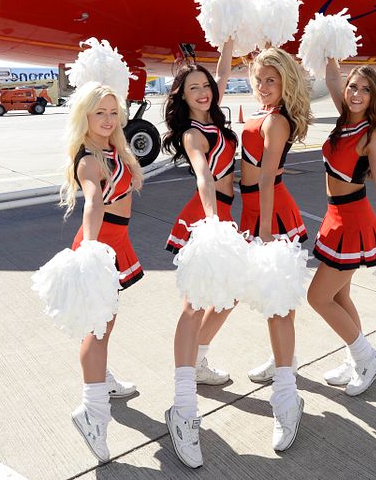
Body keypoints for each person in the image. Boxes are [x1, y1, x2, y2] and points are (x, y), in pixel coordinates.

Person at [307, 59, 376, 396]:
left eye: (365, 89)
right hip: (335, 217)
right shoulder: (344, 117)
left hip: (354, 222)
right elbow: (330, 75)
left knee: (317, 297)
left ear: (375, 97)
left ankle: (367, 357)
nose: (356, 93)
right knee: (340, 295)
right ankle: (354, 359)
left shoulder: (372, 134)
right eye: (353, 86)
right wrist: (328, 45)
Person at [59, 81, 144, 463]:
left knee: (105, 323)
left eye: (113, 112)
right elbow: (92, 202)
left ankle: (102, 377)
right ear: (86, 116)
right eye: (100, 113)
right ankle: (91, 411)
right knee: (98, 328)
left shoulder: (113, 150)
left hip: (114, 244)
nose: (108, 119)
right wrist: (91, 250)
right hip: (100, 245)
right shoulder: (90, 159)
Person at [163, 42, 238, 469]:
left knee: (227, 298)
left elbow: (222, 72)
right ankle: (182, 402)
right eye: (193, 89)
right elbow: (204, 175)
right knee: (193, 306)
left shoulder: (216, 116)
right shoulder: (194, 133)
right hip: (206, 218)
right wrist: (211, 224)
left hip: (226, 217)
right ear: (183, 97)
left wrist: (227, 38)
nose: (204, 92)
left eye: (205, 86)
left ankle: (200, 358)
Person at [237, 46, 312, 452]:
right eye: (260, 79)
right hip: (254, 211)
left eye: (272, 80)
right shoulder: (262, 113)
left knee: (278, 303)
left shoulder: (277, 121)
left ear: (285, 84)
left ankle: (287, 395)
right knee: (269, 302)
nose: (264, 87)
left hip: (271, 215)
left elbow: (266, 179)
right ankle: (283, 360)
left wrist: (265, 236)